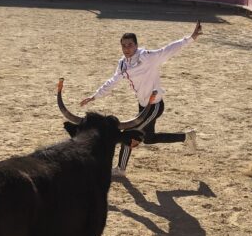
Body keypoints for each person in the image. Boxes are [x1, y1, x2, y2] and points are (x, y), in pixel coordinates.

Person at [80, 22, 202, 175]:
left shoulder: (147, 57)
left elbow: (169, 49)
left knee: (129, 133)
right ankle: (187, 137)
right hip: (143, 106)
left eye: (130, 45)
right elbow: (112, 81)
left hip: (155, 105)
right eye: (124, 46)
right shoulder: (123, 64)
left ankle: (120, 169)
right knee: (149, 138)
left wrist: (191, 38)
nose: (126, 49)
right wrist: (94, 96)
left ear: (136, 45)